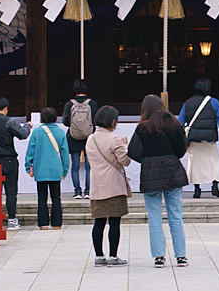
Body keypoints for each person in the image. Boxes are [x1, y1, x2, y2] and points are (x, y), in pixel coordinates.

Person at [129, 95, 190, 267]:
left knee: (154, 216)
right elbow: (181, 149)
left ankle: (159, 257)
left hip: (150, 175)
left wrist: (148, 159)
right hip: (172, 171)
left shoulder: (142, 127)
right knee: (176, 215)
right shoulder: (173, 122)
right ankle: (181, 256)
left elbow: (133, 151)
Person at [86, 105, 130, 266]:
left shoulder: (90, 138)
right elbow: (125, 161)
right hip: (113, 185)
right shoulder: (114, 139)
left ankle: (98, 256)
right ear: (111, 121)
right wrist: (125, 147)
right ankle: (113, 256)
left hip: (97, 185)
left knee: (98, 222)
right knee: (114, 221)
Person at [0, 97, 30, 229]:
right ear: (6, 108)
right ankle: (12, 219)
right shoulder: (9, 121)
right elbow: (23, 134)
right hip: (8, 160)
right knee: (11, 190)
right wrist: (27, 126)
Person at [179, 78, 219, 199]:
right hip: (209, 139)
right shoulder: (214, 102)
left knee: (195, 164)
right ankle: (215, 187)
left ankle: (197, 189)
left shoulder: (188, 103)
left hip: (194, 140)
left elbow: (180, 121)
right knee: (214, 163)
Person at [25, 107, 68, 229]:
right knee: (56, 197)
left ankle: (43, 223)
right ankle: (57, 223)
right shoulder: (60, 132)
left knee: (42, 197)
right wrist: (65, 170)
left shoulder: (37, 132)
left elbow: (30, 152)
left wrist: (29, 167)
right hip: (56, 169)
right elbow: (65, 153)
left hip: (41, 169)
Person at [62, 80, 98, 199]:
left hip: (73, 137)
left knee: (75, 166)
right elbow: (96, 121)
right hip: (89, 137)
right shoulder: (92, 104)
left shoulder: (69, 104)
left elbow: (65, 122)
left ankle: (77, 191)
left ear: (75, 90)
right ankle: (88, 191)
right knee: (89, 166)